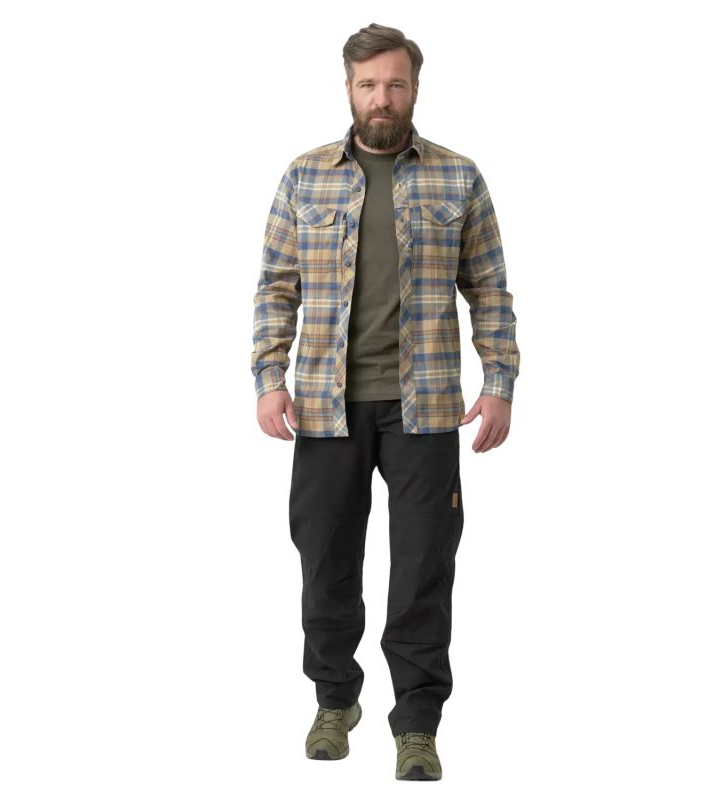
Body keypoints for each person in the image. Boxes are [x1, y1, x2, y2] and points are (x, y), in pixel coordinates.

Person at [250, 22, 520, 781]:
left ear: (415, 89)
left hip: (426, 408)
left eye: (395, 84)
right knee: (325, 563)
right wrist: (269, 378)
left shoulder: (458, 177)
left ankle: (417, 725)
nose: (382, 98)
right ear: (348, 89)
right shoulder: (304, 176)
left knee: (424, 568)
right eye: (368, 84)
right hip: (324, 408)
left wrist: (498, 383)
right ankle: (335, 702)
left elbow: (490, 289)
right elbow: (275, 287)